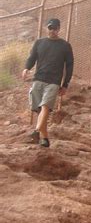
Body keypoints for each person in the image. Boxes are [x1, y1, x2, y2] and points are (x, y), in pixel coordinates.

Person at [21, 18, 74, 148]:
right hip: (38, 78)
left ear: (59, 29)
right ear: (47, 28)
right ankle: (45, 138)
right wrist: (26, 68)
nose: (52, 31)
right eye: (50, 28)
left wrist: (65, 84)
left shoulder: (65, 46)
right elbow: (32, 57)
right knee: (39, 109)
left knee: (45, 106)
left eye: (55, 28)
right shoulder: (39, 43)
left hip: (54, 81)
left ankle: (37, 131)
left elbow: (70, 65)